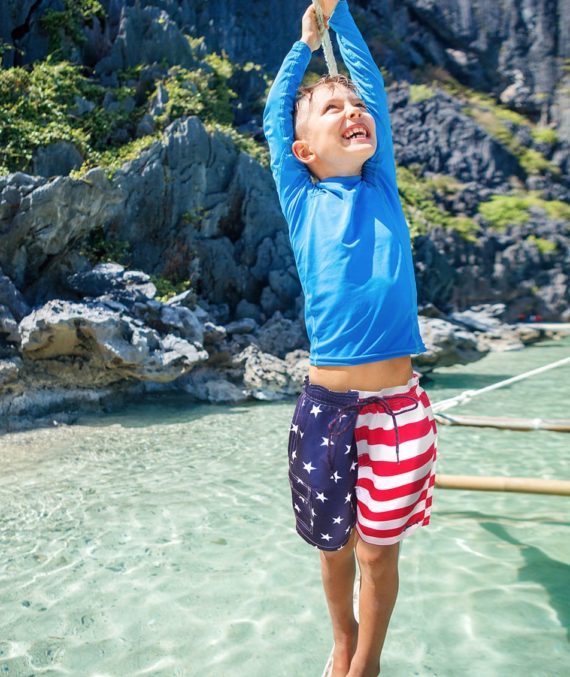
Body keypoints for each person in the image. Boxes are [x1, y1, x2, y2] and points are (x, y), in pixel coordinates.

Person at [262, 2, 438, 675]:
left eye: (354, 105)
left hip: (397, 409)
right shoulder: (301, 197)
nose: (351, 111)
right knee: (333, 548)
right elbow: (276, 121)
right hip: (325, 410)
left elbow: (371, 89)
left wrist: (341, 24)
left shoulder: (383, 185)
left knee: (376, 552)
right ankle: (340, 636)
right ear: (306, 151)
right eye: (332, 108)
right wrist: (304, 49)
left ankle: (365, 662)